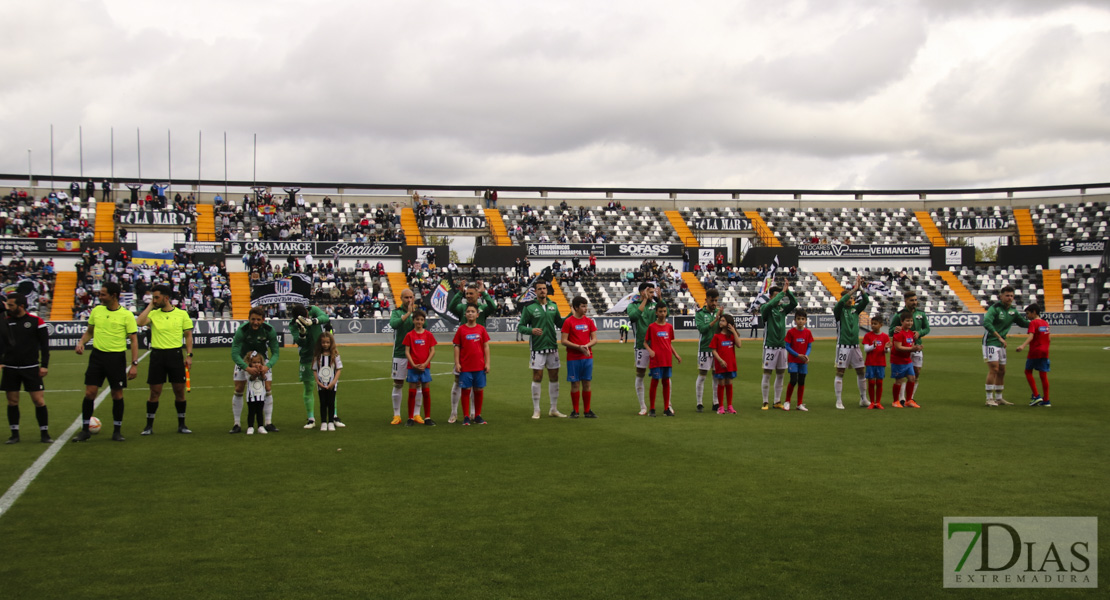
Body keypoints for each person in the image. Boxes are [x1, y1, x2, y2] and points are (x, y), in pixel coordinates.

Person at [72, 282, 139, 442]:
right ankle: (85, 430)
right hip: (97, 357)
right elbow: (90, 332)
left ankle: (117, 431)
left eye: (103, 294)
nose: (100, 297)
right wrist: (81, 342)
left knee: (117, 394)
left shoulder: (126, 315)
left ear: (113, 296)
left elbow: (134, 340)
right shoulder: (97, 311)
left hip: (116, 358)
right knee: (90, 393)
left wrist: (134, 364)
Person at [136, 284, 194, 435]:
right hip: (157, 356)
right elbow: (139, 322)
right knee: (155, 392)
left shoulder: (181, 314)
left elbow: (188, 336)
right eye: (153, 297)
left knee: (179, 391)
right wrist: (150, 305)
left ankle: (182, 425)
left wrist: (189, 355)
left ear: (166, 298)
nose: (154, 300)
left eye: (156, 297)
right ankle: (149, 426)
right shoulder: (153, 314)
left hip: (175, 355)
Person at [2, 293, 52, 444]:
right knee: (12, 401)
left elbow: (44, 346)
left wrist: (44, 365)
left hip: (31, 368)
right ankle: (14, 434)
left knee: (39, 401)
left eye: (11, 305)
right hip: (10, 368)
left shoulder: (36, 321)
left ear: (21, 306)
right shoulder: (5, 322)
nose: (8, 308)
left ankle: (44, 433)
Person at [517, 281, 567, 419]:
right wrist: (531, 330)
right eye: (539, 289)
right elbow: (520, 327)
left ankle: (553, 409)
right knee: (537, 376)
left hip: (552, 346)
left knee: (554, 376)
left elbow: (560, 323)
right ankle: (537, 409)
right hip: (537, 347)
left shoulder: (553, 306)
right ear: (536, 291)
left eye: (544, 288)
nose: (542, 291)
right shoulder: (529, 308)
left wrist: (570, 315)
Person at [450, 282, 497, 422]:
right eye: (467, 294)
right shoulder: (462, 308)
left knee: (476, 383)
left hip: (477, 348)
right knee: (458, 381)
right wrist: (459, 292)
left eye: (471, 293)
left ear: (478, 294)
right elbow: (451, 307)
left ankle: (473, 413)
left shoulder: (482, 308)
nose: (469, 296)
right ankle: (454, 412)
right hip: (464, 350)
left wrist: (486, 293)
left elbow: (493, 307)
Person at [229, 307, 280, 433]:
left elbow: (275, 353)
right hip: (243, 360)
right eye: (253, 319)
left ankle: (268, 422)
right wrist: (246, 368)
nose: (255, 322)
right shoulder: (242, 330)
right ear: (248, 319)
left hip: (262, 362)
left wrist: (267, 366)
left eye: (258, 319)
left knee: (267, 389)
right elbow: (235, 353)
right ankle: (237, 424)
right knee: (239, 389)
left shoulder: (269, 330)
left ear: (263, 320)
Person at [981, 285, 1029, 407]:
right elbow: (986, 323)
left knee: (1002, 371)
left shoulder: (1013, 311)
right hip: (991, 342)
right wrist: (999, 337)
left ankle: (999, 398)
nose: (1009, 298)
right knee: (994, 369)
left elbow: (1023, 323)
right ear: (1001, 296)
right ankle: (988, 399)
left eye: (1012, 296)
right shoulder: (995, 308)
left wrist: (1037, 322)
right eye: (1007, 295)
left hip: (1001, 344)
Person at [290, 304, 333, 427]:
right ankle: (311, 419)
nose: (306, 317)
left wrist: (313, 321)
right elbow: (299, 342)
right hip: (307, 356)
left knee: (329, 386)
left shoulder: (312, 310)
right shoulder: (293, 324)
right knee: (309, 387)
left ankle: (333, 416)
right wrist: (302, 334)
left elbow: (325, 317)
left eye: (306, 316)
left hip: (322, 354)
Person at [759, 279, 797, 410]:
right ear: (770, 297)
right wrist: (782, 294)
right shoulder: (765, 308)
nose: (778, 299)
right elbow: (771, 304)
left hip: (782, 346)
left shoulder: (782, 309)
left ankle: (777, 401)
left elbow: (794, 303)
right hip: (770, 346)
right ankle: (765, 401)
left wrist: (787, 292)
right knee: (767, 373)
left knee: (781, 373)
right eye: (775, 296)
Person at [832, 276, 870, 410]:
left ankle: (863, 398)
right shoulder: (839, 311)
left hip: (855, 346)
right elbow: (840, 303)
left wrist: (860, 289)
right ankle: (838, 400)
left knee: (861, 371)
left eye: (851, 298)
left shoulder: (855, 310)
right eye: (848, 298)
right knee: (840, 372)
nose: (850, 300)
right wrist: (852, 290)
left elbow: (866, 300)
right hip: (843, 346)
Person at [889, 291, 931, 405]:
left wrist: (920, 332)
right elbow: (891, 330)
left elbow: (927, 328)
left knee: (916, 372)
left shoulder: (921, 314)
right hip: (903, 347)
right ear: (905, 301)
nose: (914, 302)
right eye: (912, 300)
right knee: (903, 373)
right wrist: (896, 329)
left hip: (916, 346)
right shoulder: (899, 315)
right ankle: (901, 398)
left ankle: (910, 397)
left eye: (915, 300)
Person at [560, 296, 597, 418]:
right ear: (576, 307)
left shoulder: (589, 321)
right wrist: (578, 347)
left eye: (586, 306)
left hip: (587, 357)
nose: (585, 308)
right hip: (573, 358)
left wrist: (586, 346)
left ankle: (587, 410)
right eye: (583, 306)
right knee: (575, 384)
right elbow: (563, 341)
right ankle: (575, 411)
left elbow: (595, 339)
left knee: (587, 382)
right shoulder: (568, 321)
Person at [453, 305, 491, 426]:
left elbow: (486, 346)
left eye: (473, 312)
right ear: (465, 314)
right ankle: (466, 416)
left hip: (479, 366)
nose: (470, 314)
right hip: (465, 366)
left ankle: (478, 415)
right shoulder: (461, 329)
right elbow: (457, 346)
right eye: (468, 312)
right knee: (465, 390)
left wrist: (488, 362)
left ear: (477, 315)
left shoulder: (481, 329)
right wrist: (457, 363)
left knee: (478, 390)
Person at [626, 282, 658, 415]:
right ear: (643, 292)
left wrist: (660, 300)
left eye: (653, 292)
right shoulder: (632, 306)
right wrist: (644, 301)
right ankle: (643, 406)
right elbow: (633, 317)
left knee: (661, 374)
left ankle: (668, 404)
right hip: (640, 345)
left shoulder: (655, 305)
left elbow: (665, 315)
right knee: (640, 374)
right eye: (650, 292)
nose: (652, 294)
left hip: (656, 345)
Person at [389, 289, 419, 425]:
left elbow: (425, 326)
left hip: (417, 354)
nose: (409, 300)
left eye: (411, 297)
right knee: (398, 383)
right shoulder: (396, 312)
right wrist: (408, 314)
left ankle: (417, 414)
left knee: (417, 384)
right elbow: (394, 324)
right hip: (400, 353)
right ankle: (397, 415)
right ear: (401, 298)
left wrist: (416, 317)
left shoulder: (417, 313)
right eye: (406, 297)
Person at [403, 309, 437, 426]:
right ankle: (410, 418)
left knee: (426, 392)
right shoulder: (409, 335)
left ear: (424, 321)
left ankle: (427, 417)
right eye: (417, 319)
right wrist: (412, 364)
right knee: (412, 393)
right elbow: (407, 351)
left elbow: (432, 350)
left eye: (421, 320)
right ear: (413, 321)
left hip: (425, 367)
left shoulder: (428, 335)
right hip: (413, 367)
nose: (419, 322)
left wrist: (426, 363)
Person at [645, 303, 680, 416]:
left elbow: (668, 343)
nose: (662, 313)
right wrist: (650, 350)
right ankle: (652, 409)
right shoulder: (652, 327)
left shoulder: (669, 327)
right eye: (660, 311)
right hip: (656, 360)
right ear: (656, 312)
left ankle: (666, 408)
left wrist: (676, 354)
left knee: (666, 382)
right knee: (655, 382)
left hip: (667, 359)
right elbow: (645, 342)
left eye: (664, 311)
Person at [1015, 303, 1051, 407]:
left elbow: (1031, 336)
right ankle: (1047, 400)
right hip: (1045, 351)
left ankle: (1036, 395)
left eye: (1028, 313)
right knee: (1043, 375)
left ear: (1034, 312)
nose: (1027, 316)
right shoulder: (1045, 323)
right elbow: (1049, 338)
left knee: (1028, 372)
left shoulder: (1033, 323)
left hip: (1035, 351)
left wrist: (1023, 346)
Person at [694, 289, 723, 413]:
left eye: (716, 300)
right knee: (702, 375)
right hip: (705, 348)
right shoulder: (700, 313)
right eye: (712, 300)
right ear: (706, 300)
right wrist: (716, 320)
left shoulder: (719, 312)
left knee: (716, 376)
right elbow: (702, 329)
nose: (714, 303)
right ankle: (699, 403)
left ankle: (715, 402)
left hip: (717, 350)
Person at [709, 313, 741, 414]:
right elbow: (713, 350)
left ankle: (730, 406)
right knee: (721, 383)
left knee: (729, 383)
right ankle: (721, 406)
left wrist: (734, 331)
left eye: (723, 320)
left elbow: (739, 345)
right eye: (720, 320)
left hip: (730, 364)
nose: (720, 322)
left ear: (729, 323)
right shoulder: (717, 336)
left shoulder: (731, 336)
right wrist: (720, 360)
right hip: (721, 364)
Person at [784, 310, 813, 412]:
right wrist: (797, 355)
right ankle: (787, 401)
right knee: (793, 380)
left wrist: (806, 356)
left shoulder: (808, 332)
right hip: (793, 360)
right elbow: (787, 346)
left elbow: (809, 346)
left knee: (801, 381)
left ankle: (799, 404)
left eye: (802, 319)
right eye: (798, 319)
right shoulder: (791, 332)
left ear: (805, 320)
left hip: (803, 361)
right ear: (795, 320)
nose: (800, 321)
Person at [313, 332, 343, 431]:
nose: (325, 344)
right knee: (323, 402)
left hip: (332, 384)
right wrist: (317, 381)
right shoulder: (317, 355)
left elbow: (339, 369)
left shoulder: (335, 355)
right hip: (321, 384)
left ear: (331, 343)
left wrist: (334, 382)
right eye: (323, 342)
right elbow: (314, 369)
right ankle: (323, 422)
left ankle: (330, 421)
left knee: (331, 402)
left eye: (327, 342)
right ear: (320, 343)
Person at [891, 313, 922, 408]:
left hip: (907, 360)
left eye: (911, 321)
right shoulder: (898, 333)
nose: (910, 323)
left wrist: (917, 347)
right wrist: (912, 349)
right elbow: (898, 347)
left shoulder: (911, 333)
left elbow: (909, 346)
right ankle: (895, 401)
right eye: (907, 321)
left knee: (912, 378)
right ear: (902, 322)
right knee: (899, 380)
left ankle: (909, 400)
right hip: (898, 360)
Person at [862, 316, 890, 410]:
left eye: (875, 323)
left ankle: (878, 402)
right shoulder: (868, 335)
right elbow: (866, 349)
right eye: (872, 323)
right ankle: (872, 402)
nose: (873, 325)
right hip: (870, 362)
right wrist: (873, 346)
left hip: (881, 362)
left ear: (881, 325)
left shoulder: (885, 337)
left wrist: (886, 348)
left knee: (879, 382)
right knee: (871, 382)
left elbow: (887, 351)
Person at [243, 352, 269, 435]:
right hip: (251, 395)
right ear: (250, 363)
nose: (256, 364)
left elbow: (264, 379)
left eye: (258, 362)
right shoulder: (248, 371)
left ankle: (260, 426)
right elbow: (251, 378)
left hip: (261, 395)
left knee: (260, 411)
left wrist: (262, 373)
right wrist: (256, 373)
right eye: (254, 362)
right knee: (251, 411)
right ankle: (250, 427)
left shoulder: (263, 370)